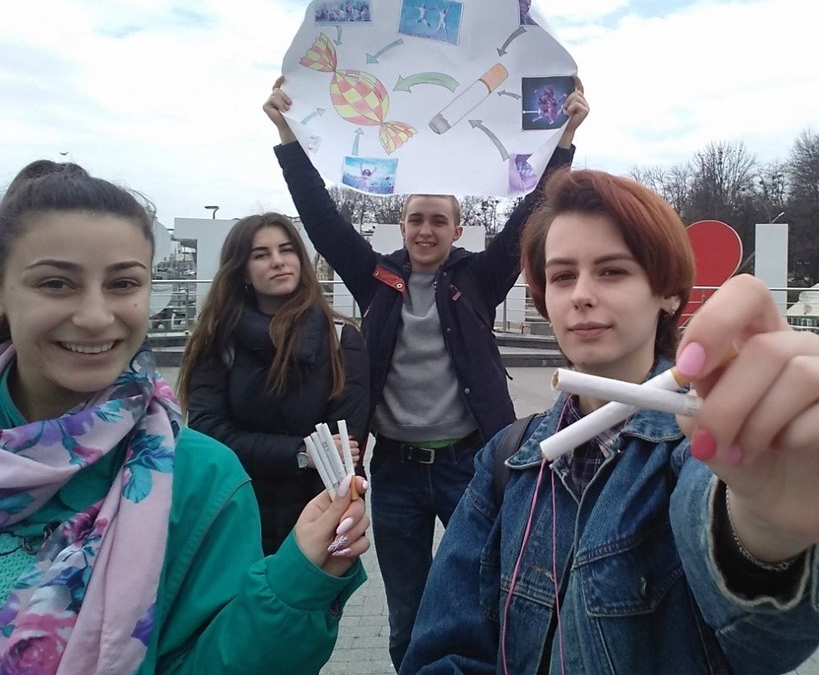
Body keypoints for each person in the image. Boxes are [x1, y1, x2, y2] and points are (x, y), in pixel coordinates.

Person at [401, 169, 819, 673]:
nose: (581, 294)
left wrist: (764, 535)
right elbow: (444, 651)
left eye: (612, 271)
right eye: (562, 276)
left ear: (668, 293)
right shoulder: (507, 460)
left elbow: (764, 638)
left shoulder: (701, 446)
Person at [264, 75, 588, 670]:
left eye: (438, 220)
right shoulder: (376, 278)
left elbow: (531, 213)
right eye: (416, 219)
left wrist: (565, 136)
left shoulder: (477, 279)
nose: (425, 231)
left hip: (470, 465)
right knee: (407, 614)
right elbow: (321, 218)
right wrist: (287, 134)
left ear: (457, 230)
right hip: (396, 474)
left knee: (484, 599)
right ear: (402, 224)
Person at [0, 160, 370, 673]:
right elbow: (217, 425)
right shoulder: (220, 342)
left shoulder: (202, 477)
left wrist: (296, 584)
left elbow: (344, 441)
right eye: (56, 284)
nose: (95, 316)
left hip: (300, 518)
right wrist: (300, 452)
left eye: (123, 283)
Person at [178, 212, 369, 555]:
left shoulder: (340, 339)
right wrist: (302, 452)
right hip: (232, 518)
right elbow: (210, 434)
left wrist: (335, 527)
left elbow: (343, 452)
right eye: (261, 254)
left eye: (286, 249)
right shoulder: (219, 341)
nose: (278, 261)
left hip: (315, 525)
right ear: (242, 271)